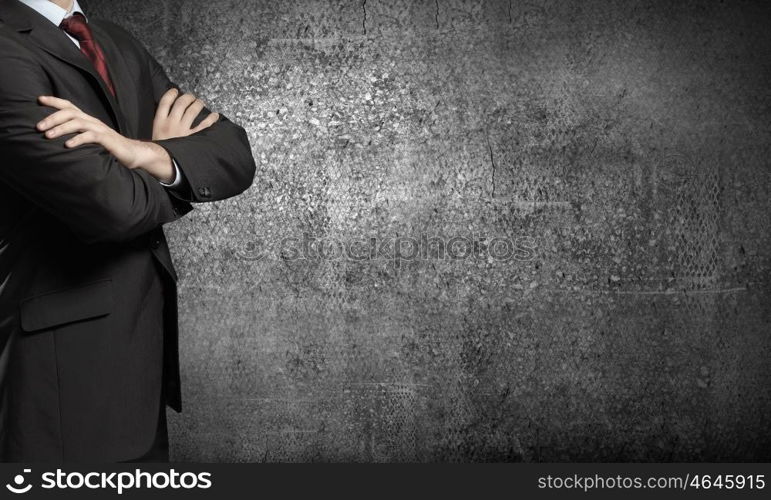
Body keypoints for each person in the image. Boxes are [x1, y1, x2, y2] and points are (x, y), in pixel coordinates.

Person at [0, 0, 256, 462]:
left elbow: (232, 152)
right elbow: (111, 207)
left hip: (135, 361)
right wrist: (170, 162)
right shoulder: (4, 48)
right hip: (61, 376)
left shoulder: (113, 41)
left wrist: (141, 153)